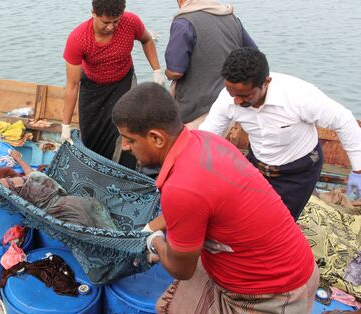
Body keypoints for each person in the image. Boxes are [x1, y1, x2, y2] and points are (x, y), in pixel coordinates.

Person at [112, 82, 318, 314]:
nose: (125, 147)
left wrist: (155, 243)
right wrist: (152, 227)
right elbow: (200, 204)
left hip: (274, 293)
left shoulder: (181, 189)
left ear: (156, 138)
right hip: (289, 260)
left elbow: (181, 269)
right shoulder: (204, 141)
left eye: (130, 139)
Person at [199, 47, 361, 220]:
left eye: (245, 96)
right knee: (240, 216)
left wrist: (358, 171)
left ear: (266, 83)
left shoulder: (299, 97)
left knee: (278, 223)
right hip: (258, 164)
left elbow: (344, 121)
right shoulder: (228, 98)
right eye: (232, 94)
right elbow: (207, 136)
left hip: (298, 171)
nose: (237, 101)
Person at [61, 0, 163, 169]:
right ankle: (98, 172)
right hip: (93, 90)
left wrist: (156, 70)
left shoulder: (130, 22)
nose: (111, 27)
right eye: (106, 22)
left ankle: (126, 173)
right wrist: (65, 125)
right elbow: (72, 85)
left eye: (115, 21)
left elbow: (146, 40)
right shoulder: (78, 38)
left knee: (128, 130)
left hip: (124, 83)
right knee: (92, 138)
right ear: (93, 13)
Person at [0, 150, 117, 231]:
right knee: (94, 213)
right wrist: (18, 158)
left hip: (58, 204)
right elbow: (28, 171)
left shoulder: (7, 184)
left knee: (88, 220)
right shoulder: (26, 178)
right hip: (65, 199)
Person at [164, 0, 256, 129]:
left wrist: (165, 74)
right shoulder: (230, 17)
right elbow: (253, 56)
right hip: (231, 101)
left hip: (197, 109)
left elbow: (175, 71)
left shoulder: (184, 22)